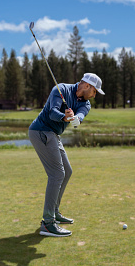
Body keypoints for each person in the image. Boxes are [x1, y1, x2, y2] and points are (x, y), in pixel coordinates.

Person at [28, 73, 105, 237]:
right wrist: (65, 117)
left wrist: (76, 118)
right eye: (94, 91)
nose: (94, 94)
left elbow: (82, 114)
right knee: (57, 174)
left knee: (67, 171)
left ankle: (54, 212)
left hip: (54, 134)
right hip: (41, 131)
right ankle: (48, 223)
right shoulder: (61, 89)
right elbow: (52, 113)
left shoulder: (87, 103)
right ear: (87, 86)